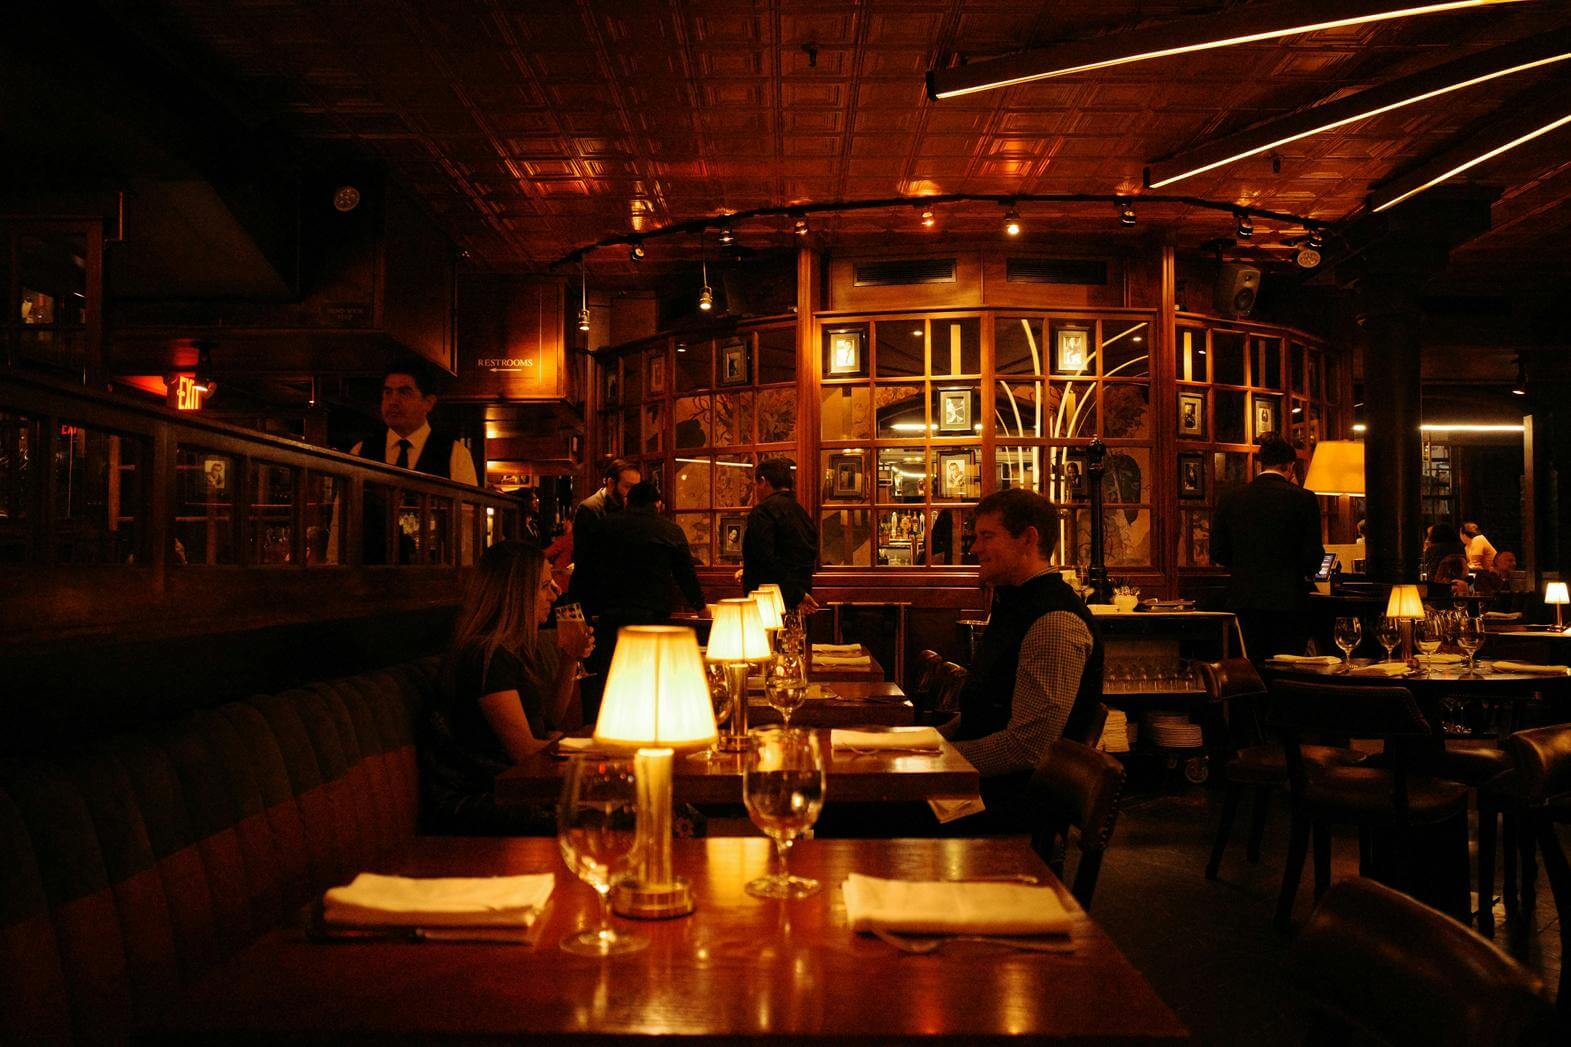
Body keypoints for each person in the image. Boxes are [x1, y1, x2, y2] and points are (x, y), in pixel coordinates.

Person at [949, 488, 1104, 830]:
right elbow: (984, 714)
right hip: (980, 789)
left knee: (855, 812)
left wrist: (934, 759)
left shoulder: (1054, 620)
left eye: (987, 536)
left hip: (1007, 810)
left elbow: (1028, 748)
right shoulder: (1016, 602)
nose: (975, 548)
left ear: (1028, 539)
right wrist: (919, 743)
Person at [422, 541, 594, 835]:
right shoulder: (485, 656)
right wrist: (595, 752)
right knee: (622, 815)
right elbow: (524, 751)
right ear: (516, 594)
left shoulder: (511, 650)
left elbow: (550, 721)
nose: (555, 593)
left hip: (511, 789)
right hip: (480, 802)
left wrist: (569, 659)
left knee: (633, 808)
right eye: (544, 586)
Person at [1211, 433, 1324, 661]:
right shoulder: (1304, 498)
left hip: (1244, 598)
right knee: (1288, 666)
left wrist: (1244, 565)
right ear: (1289, 466)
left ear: (1261, 464)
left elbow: (1218, 551)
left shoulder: (1231, 498)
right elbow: (1312, 556)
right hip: (1289, 600)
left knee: (1253, 664)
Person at [589, 481, 706, 678]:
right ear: (657, 504)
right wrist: (700, 607)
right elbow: (686, 575)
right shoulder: (670, 530)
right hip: (653, 615)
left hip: (611, 615)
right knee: (649, 674)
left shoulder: (605, 526)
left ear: (628, 501)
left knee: (613, 675)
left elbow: (589, 568)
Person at [352, 361, 478, 484]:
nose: (393, 401)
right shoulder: (361, 451)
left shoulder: (455, 455)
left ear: (428, 403)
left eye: (404, 393)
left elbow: (465, 499)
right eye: (388, 392)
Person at [565, 458, 641, 616]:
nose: (633, 494)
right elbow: (586, 559)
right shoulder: (590, 509)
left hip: (616, 596)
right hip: (593, 596)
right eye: (627, 487)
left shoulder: (630, 508)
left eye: (636, 488)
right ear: (611, 483)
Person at [742, 457, 819, 611]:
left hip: (768, 602)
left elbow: (766, 560)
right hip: (801, 600)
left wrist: (796, 594)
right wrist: (800, 594)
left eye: (756, 484)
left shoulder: (762, 512)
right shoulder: (802, 513)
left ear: (763, 481)